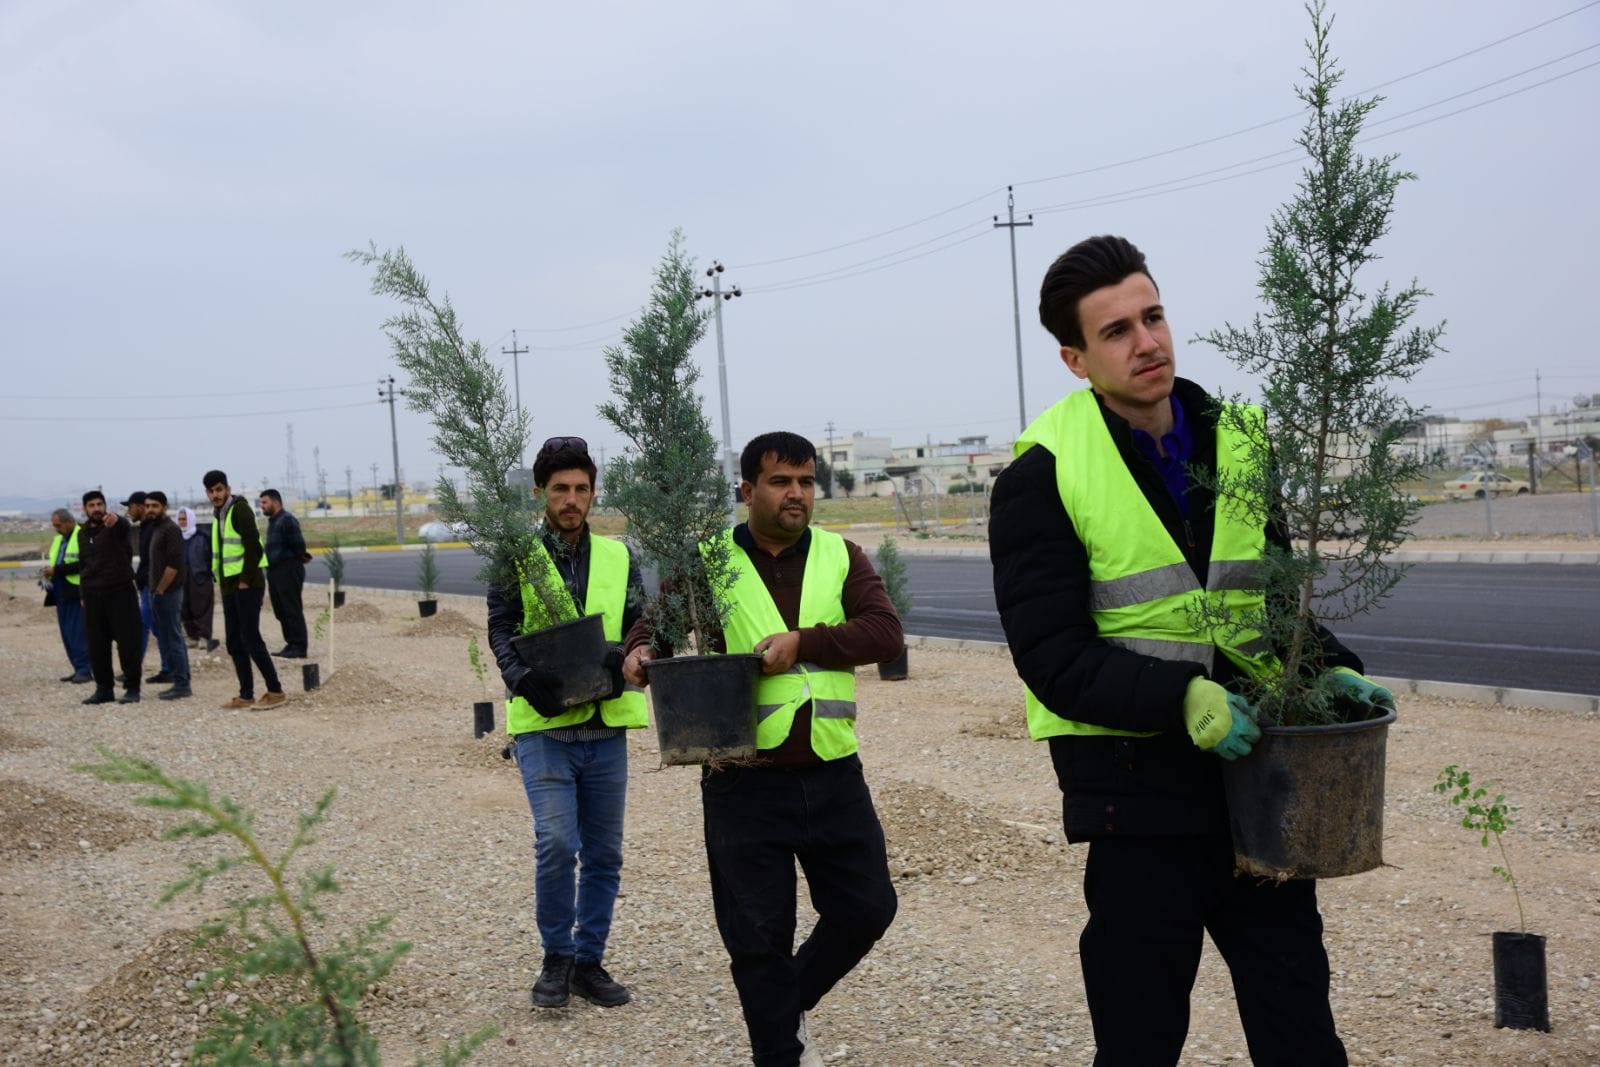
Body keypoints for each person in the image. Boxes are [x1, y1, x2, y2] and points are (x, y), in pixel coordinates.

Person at [989, 235, 1381, 1066]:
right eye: (1118, 331)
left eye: (1154, 315)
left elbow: (1274, 600)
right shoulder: (1042, 473)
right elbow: (1051, 656)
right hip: (1136, 806)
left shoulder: (1238, 439)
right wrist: (1180, 700)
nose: (1148, 342)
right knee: (1139, 1040)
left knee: (1302, 1032)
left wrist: (1328, 662)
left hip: (1260, 783)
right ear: (1074, 357)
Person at [624, 431, 903, 1067]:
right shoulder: (709, 558)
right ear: (747, 491)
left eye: (806, 481)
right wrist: (639, 653)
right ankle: (778, 1052)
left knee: (867, 910)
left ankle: (785, 1006)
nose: (797, 494)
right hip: (742, 780)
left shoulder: (841, 554)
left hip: (833, 772)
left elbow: (885, 633)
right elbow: (657, 626)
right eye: (781, 482)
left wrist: (803, 643)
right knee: (758, 940)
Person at [486, 436, 643, 1011]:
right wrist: (518, 677)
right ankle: (556, 957)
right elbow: (500, 625)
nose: (571, 499)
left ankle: (587, 962)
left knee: (604, 854)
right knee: (556, 844)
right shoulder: (517, 554)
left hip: (606, 728)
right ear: (541, 494)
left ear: (593, 492)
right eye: (560, 490)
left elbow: (637, 623)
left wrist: (633, 654)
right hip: (544, 727)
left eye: (580, 489)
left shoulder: (621, 556)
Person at [204, 470, 286, 710]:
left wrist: (245, 581)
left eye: (219, 489)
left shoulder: (239, 510)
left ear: (227, 489)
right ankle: (246, 694)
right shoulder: (219, 513)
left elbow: (254, 547)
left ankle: (275, 691)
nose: (215, 495)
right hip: (230, 586)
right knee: (234, 642)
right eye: (211, 491)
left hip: (246, 584)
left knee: (251, 638)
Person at [75, 491, 145, 705]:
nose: (96, 508)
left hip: (120, 592)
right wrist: (83, 594)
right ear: (85, 509)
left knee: (128, 642)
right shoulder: (83, 533)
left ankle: (132, 688)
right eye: (91, 505)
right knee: (97, 644)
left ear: (105, 506)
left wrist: (117, 519)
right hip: (93, 595)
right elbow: (83, 564)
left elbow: (123, 524)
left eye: (99, 504)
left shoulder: (114, 526)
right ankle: (104, 688)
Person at [141, 492, 192, 700]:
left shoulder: (170, 529)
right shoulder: (157, 529)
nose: (150, 509)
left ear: (164, 507)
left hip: (168, 593)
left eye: (154, 505)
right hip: (160, 593)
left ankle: (182, 684)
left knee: (174, 638)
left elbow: (174, 565)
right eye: (147, 506)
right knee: (170, 638)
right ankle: (179, 679)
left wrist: (161, 589)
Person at [259, 488, 310, 658]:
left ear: (276, 502)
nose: (262, 506)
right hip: (274, 571)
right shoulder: (274, 521)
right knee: (280, 610)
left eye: (265, 502)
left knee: (292, 609)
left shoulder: (287, 520)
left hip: (287, 569)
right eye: (261, 503)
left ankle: (299, 647)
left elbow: (298, 545)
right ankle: (290, 643)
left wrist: (299, 558)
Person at [42, 507, 91, 684]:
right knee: (67, 633)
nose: (56, 528)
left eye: (59, 525)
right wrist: (49, 573)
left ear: (69, 522)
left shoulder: (82, 536)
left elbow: (85, 563)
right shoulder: (59, 539)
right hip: (60, 589)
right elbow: (57, 562)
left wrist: (57, 569)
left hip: (75, 590)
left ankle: (85, 669)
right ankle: (77, 667)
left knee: (77, 631)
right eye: (54, 525)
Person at [121, 490, 163, 681]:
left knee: (145, 626)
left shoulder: (153, 528)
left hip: (151, 586)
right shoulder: (146, 528)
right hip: (147, 585)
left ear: (138, 507)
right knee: (156, 628)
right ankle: (168, 668)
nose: (129, 512)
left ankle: (135, 669)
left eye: (130, 508)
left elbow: (154, 562)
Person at [177, 507, 218, 651]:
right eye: (180, 519)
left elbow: (211, 555)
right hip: (182, 577)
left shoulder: (202, 536)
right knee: (185, 607)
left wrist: (209, 572)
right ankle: (192, 636)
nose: (182, 522)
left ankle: (204, 637)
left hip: (200, 576)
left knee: (202, 607)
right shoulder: (176, 537)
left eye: (185, 519)